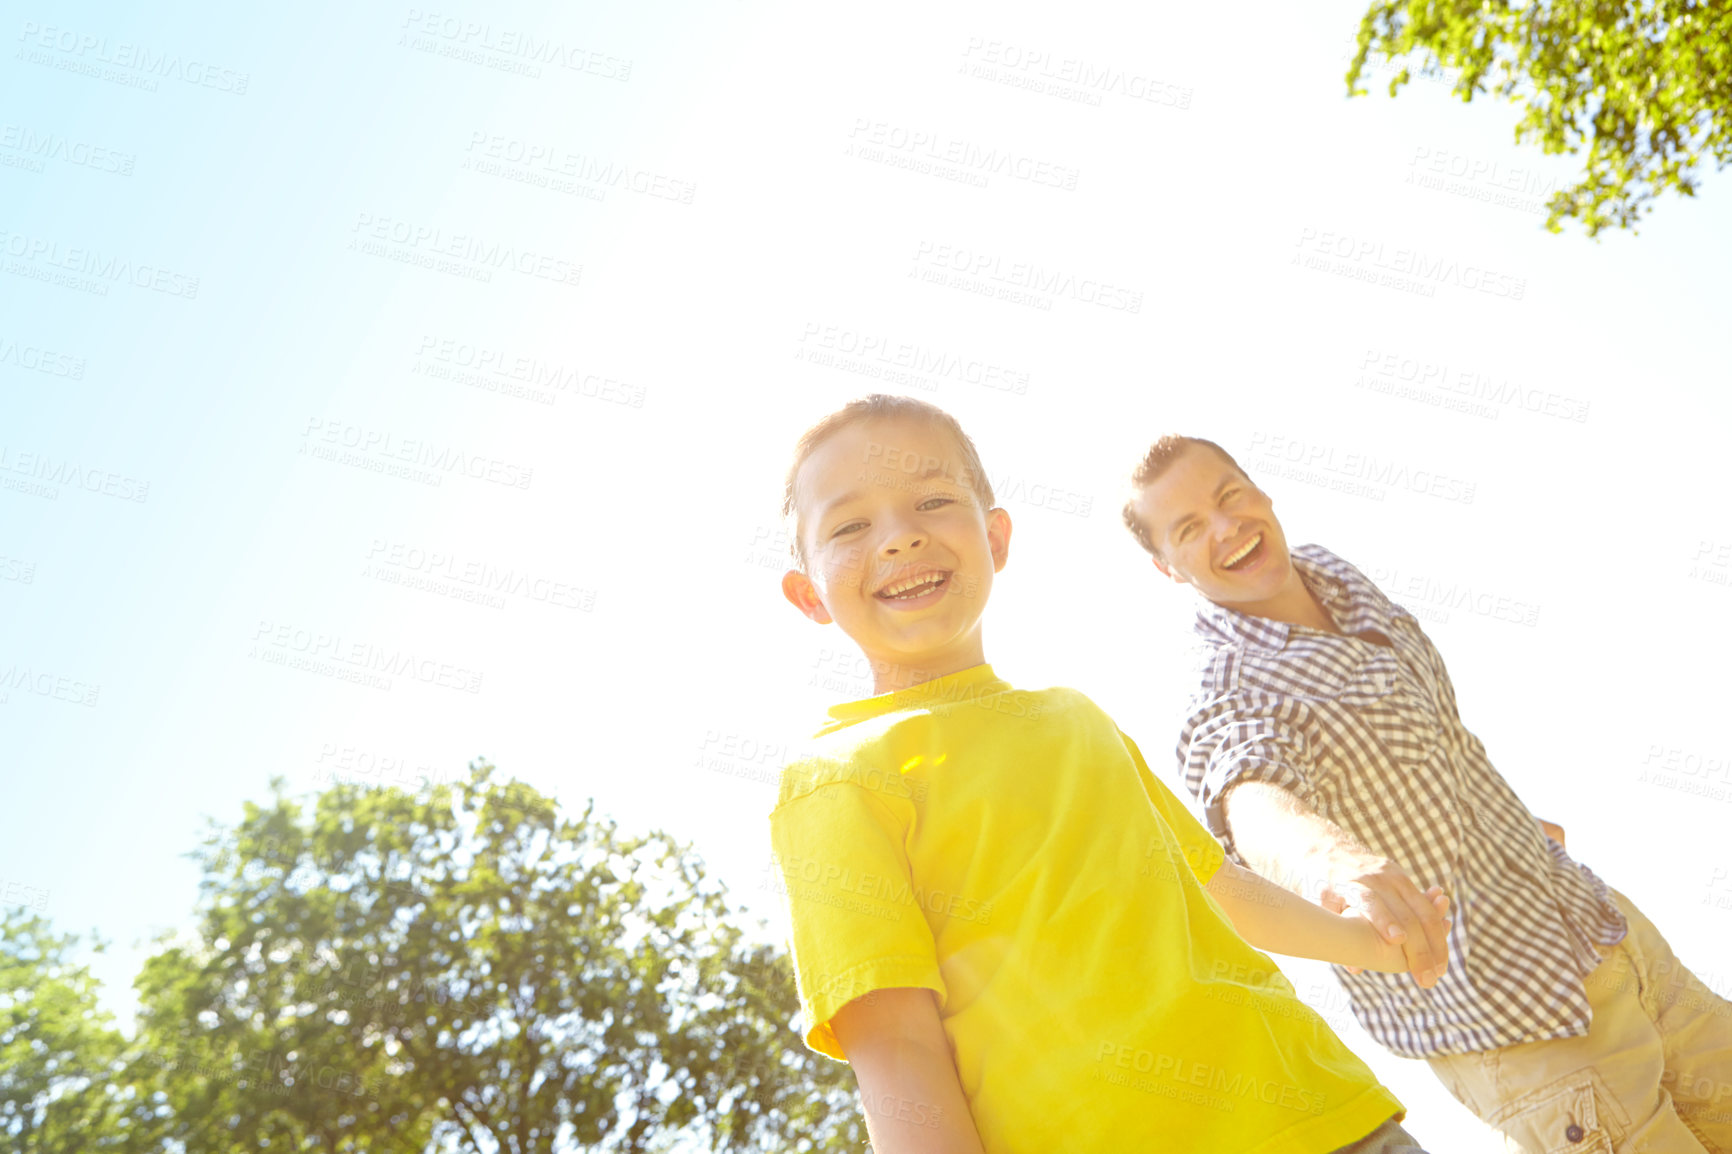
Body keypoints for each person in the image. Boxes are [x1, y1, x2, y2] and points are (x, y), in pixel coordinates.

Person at [769, 394, 1444, 1153]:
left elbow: (1218, 889)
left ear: (996, 538)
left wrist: (1370, 942)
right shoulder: (836, 779)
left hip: (1325, 1113)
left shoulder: (1074, 717)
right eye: (851, 526)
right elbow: (896, 1046)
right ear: (807, 595)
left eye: (932, 500)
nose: (900, 539)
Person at [1121, 433, 1732, 1153]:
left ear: (1261, 491)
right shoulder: (1224, 686)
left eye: (1230, 496)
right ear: (1167, 568)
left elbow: (1417, 734)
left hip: (1600, 931)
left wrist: (1500, 825)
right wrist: (1338, 865)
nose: (1227, 527)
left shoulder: (1331, 576)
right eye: (1190, 529)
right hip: (1522, 1017)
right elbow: (1251, 796)